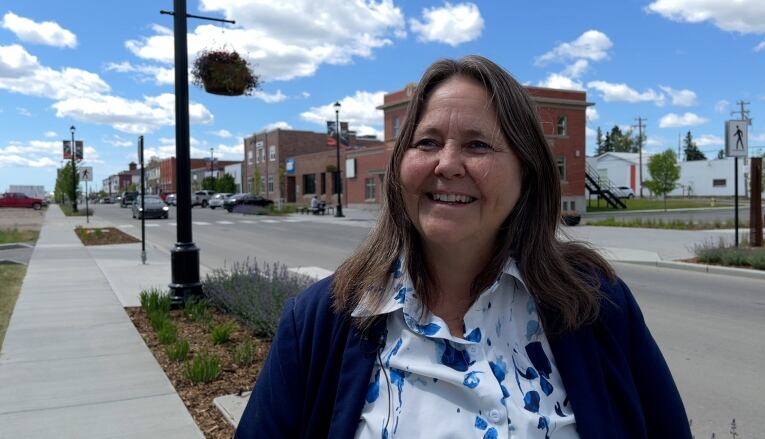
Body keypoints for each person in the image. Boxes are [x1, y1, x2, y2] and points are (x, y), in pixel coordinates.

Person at [236, 56, 691, 438]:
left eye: (477, 144)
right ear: (400, 168)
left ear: (526, 173)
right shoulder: (320, 322)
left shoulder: (597, 306)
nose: (448, 164)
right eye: (427, 142)